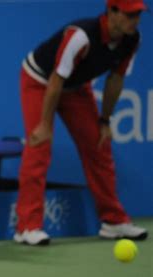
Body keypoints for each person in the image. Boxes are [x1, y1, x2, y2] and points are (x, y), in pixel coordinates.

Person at [14, 0, 149, 246]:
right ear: (112, 12)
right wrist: (44, 124)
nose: (135, 20)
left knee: (99, 144)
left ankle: (113, 220)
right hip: (40, 81)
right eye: (130, 15)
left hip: (75, 88)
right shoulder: (81, 36)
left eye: (138, 15)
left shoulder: (132, 39)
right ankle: (27, 227)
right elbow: (55, 81)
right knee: (39, 146)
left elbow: (115, 80)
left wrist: (105, 120)